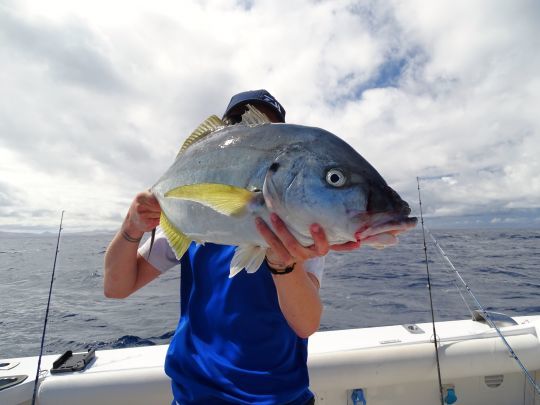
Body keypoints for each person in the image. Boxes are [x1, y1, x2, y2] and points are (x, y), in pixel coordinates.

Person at [104, 90, 361, 405]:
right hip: (195, 395)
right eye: (238, 123)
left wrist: (283, 263)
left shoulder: (301, 235)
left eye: (268, 133)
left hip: (277, 397)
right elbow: (117, 287)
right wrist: (130, 228)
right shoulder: (193, 221)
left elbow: (305, 324)